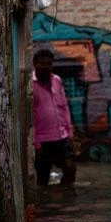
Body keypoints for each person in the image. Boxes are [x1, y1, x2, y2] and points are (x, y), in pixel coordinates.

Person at [32, 48, 76, 187]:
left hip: (61, 137)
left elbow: (64, 107)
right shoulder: (30, 84)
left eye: (49, 64)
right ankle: (47, 205)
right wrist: (36, 143)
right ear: (35, 64)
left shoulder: (57, 80)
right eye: (42, 63)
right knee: (42, 179)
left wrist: (70, 133)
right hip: (42, 140)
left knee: (70, 169)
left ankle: (64, 199)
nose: (46, 67)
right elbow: (30, 116)